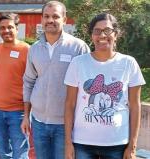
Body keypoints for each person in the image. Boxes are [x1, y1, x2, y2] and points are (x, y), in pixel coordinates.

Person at [64, 13, 146, 159]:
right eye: (97, 31)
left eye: (107, 30)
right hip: (82, 144)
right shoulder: (78, 63)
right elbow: (70, 104)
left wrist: (132, 146)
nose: (102, 35)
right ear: (91, 35)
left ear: (116, 34)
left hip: (117, 144)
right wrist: (68, 143)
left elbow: (135, 106)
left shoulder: (128, 63)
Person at [21, 1, 90, 159]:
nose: (50, 20)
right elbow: (29, 81)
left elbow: (86, 87)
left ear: (64, 20)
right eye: (46, 16)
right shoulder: (34, 49)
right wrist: (26, 115)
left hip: (65, 124)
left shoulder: (78, 48)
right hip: (38, 122)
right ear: (42, 19)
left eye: (55, 16)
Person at [0, 13, 30, 159]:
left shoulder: (27, 50)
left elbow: (33, 82)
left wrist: (27, 114)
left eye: (10, 27)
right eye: (2, 28)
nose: (6, 31)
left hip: (18, 112)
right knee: (3, 151)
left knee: (20, 154)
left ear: (17, 29)